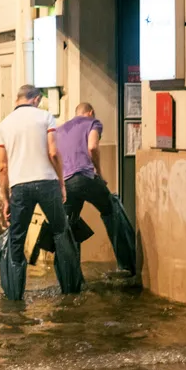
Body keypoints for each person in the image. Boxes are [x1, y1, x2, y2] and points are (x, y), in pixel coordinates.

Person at [0, 85, 83, 300]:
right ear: (35, 99)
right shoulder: (45, 117)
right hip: (47, 183)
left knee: (17, 240)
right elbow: (53, 152)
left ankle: (15, 296)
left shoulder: (4, 126)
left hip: (20, 187)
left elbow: (2, 167)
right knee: (61, 233)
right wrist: (61, 183)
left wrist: (5, 199)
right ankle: (70, 289)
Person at [56, 103, 136, 274]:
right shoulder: (93, 122)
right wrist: (99, 173)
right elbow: (92, 147)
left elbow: (53, 155)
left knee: (70, 224)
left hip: (66, 183)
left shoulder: (60, 129)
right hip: (85, 178)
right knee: (111, 210)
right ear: (90, 112)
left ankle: (71, 276)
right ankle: (127, 265)